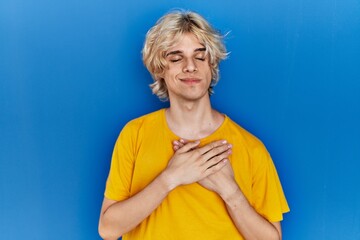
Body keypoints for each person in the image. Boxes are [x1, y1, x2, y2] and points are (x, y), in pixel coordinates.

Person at [98, 10, 289, 240]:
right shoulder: (134, 135)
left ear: (212, 64)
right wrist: (170, 178)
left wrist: (231, 192)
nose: (191, 66)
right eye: (176, 57)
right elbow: (108, 230)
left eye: (200, 56)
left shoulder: (252, 149)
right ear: (160, 68)